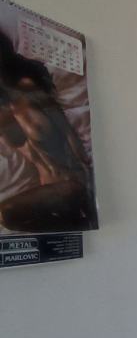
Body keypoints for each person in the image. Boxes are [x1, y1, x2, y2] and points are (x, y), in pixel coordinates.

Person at [0, 31, 97, 232]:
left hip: (72, 182)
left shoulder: (27, 87)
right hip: (48, 189)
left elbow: (65, 127)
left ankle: (80, 224)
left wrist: (86, 175)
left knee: (5, 213)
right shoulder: (4, 109)